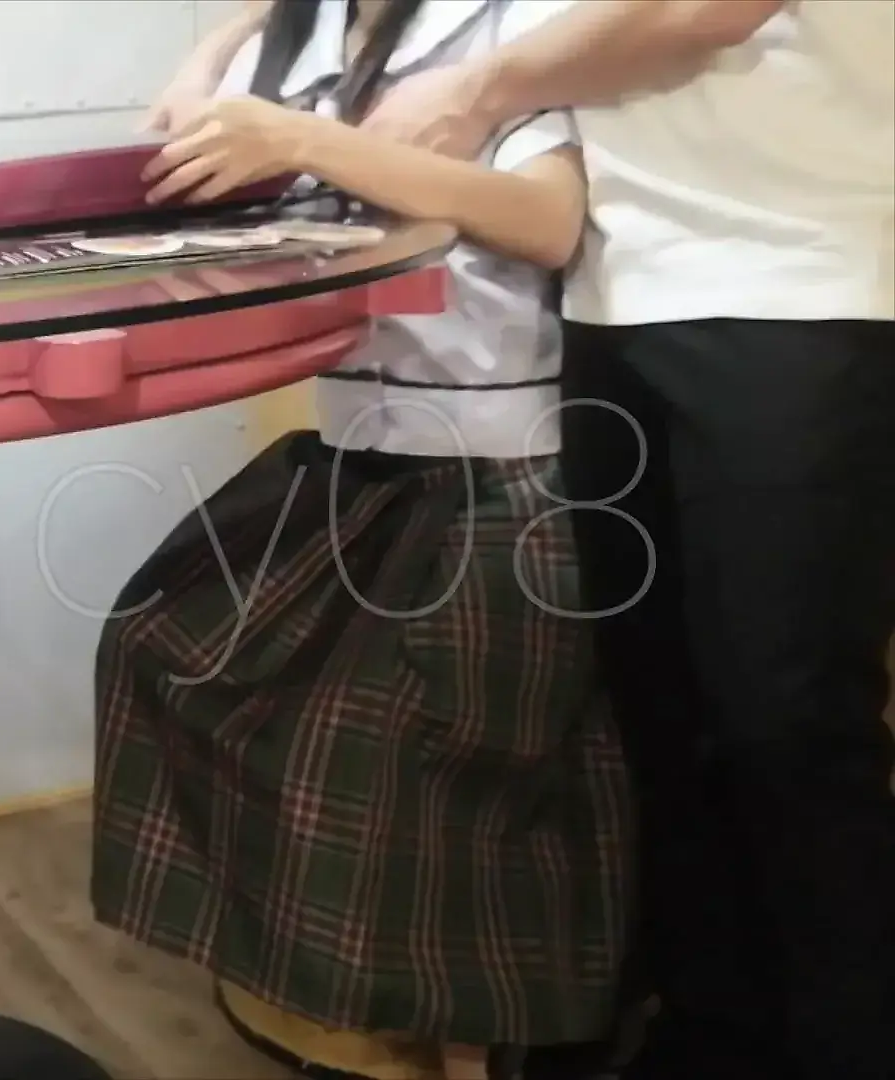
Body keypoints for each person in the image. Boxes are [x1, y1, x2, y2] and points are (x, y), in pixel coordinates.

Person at [352, 4, 895, 1079]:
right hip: (613, 294)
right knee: (661, 711)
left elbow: (704, 10)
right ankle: (712, 1032)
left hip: (804, 279)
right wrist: (229, 40)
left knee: (787, 719)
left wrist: (474, 90)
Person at [90, 2, 632, 1078]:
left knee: (404, 736)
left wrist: (303, 138)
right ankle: (321, 992)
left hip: (503, 469)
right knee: (163, 639)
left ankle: (458, 1022)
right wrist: (215, 62)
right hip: (355, 455)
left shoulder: (506, 25)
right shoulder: (286, 42)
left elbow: (549, 222)